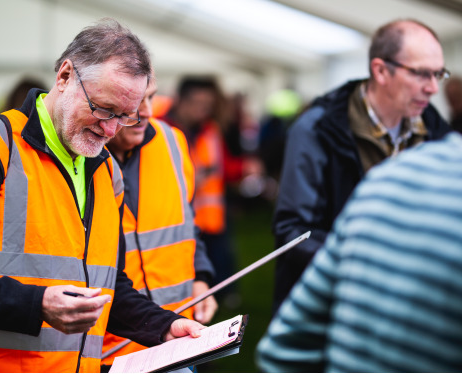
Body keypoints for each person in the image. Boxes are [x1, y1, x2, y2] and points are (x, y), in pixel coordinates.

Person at [0, 19, 203, 373]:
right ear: (64, 76)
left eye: (124, 117)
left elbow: (105, 284)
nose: (109, 129)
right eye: (104, 109)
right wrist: (37, 304)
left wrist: (161, 326)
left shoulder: (105, 170)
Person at [271, 18, 451, 313]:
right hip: (336, 307)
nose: (433, 88)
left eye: (438, 74)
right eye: (421, 74)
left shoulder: (434, 128)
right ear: (380, 70)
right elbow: (293, 232)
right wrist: (369, 265)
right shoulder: (317, 129)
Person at [256, 131, 462, 372]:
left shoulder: (385, 177)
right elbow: (290, 224)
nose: (431, 90)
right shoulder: (314, 132)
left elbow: (283, 350)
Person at [101, 72, 218, 368]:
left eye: (151, 97)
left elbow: (187, 223)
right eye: (136, 100)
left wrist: (201, 279)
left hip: (179, 334)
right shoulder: (81, 153)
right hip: (109, 349)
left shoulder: (173, 141)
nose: (147, 111)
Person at [160, 76, 238, 304]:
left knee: (216, 260)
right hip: (176, 215)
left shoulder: (210, 129)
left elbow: (224, 165)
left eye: (208, 105)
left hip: (210, 216)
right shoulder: (161, 129)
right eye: (198, 103)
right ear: (180, 101)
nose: (203, 110)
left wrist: (243, 168)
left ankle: (221, 294)